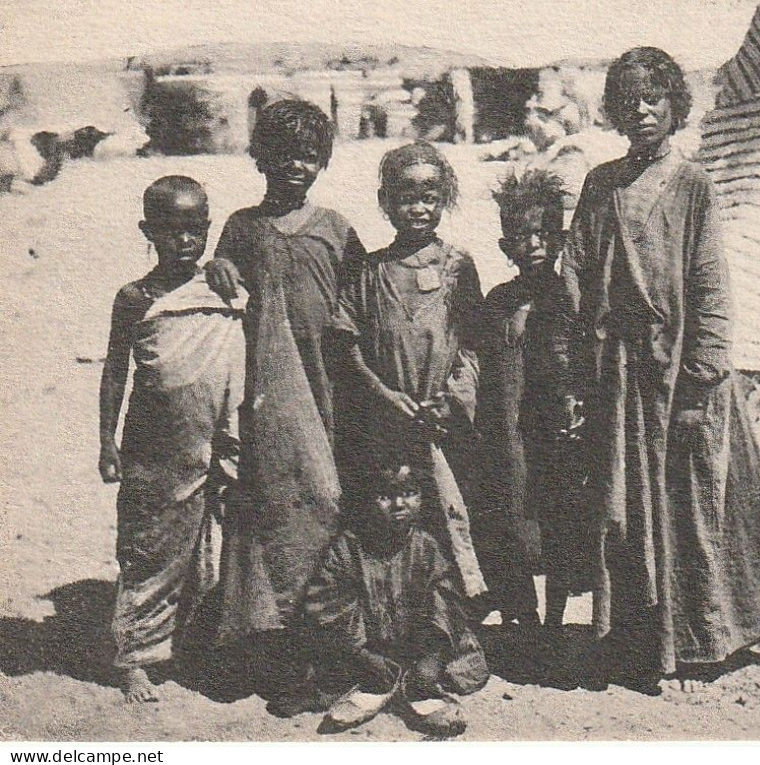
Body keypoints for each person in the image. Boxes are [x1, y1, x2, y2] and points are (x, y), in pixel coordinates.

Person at [560, 46, 760, 693]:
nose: (641, 109)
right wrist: (582, 362)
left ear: (675, 106)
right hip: (623, 379)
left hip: (684, 378)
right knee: (630, 509)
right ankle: (640, 638)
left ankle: (706, 640)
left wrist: (703, 371)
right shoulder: (600, 184)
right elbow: (577, 272)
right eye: (629, 99)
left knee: (699, 506)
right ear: (615, 111)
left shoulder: (694, 185)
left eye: (654, 97)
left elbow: (708, 284)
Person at [205, 99, 364, 656]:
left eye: (308, 157)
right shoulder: (242, 227)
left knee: (326, 488)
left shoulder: (337, 230)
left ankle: (325, 622)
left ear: (321, 162)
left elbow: (357, 297)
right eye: (283, 156)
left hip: (327, 385)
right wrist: (216, 266)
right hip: (265, 387)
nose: (296, 167)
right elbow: (219, 275)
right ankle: (260, 623)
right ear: (260, 160)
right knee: (265, 491)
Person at [98, 176, 243, 702]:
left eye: (197, 229)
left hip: (216, 440)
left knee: (208, 545)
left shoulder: (223, 284)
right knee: (149, 546)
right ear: (148, 231)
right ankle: (136, 656)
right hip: (155, 444)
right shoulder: (135, 297)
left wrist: (223, 266)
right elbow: (116, 371)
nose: (186, 240)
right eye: (172, 230)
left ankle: (190, 643)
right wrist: (106, 442)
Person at [331, 143, 485, 602]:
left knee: (448, 517)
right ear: (386, 202)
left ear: (445, 199)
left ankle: (451, 622)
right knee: (390, 520)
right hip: (385, 424)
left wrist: (450, 399)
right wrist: (383, 395)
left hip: (441, 425)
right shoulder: (369, 271)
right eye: (406, 196)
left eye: (430, 196)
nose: (418, 207)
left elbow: (474, 347)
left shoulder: (458, 267)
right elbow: (346, 342)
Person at [472, 167, 590, 647]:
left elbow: (581, 362)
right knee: (507, 519)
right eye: (522, 235)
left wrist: (577, 407)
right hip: (506, 428)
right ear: (506, 247)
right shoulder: (498, 300)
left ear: (560, 239)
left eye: (544, 233)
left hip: (552, 431)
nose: (535, 244)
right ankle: (522, 614)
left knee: (558, 520)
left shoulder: (570, 296)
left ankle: (557, 619)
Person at [303, 454, 487, 738]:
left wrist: (433, 657)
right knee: (327, 675)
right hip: (366, 650)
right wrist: (364, 655)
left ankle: (416, 682)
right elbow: (328, 606)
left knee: (467, 667)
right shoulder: (347, 549)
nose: (399, 505)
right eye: (385, 496)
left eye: (409, 494)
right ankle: (379, 683)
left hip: (421, 648)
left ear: (423, 497)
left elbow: (447, 603)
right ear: (366, 499)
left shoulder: (428, 548)